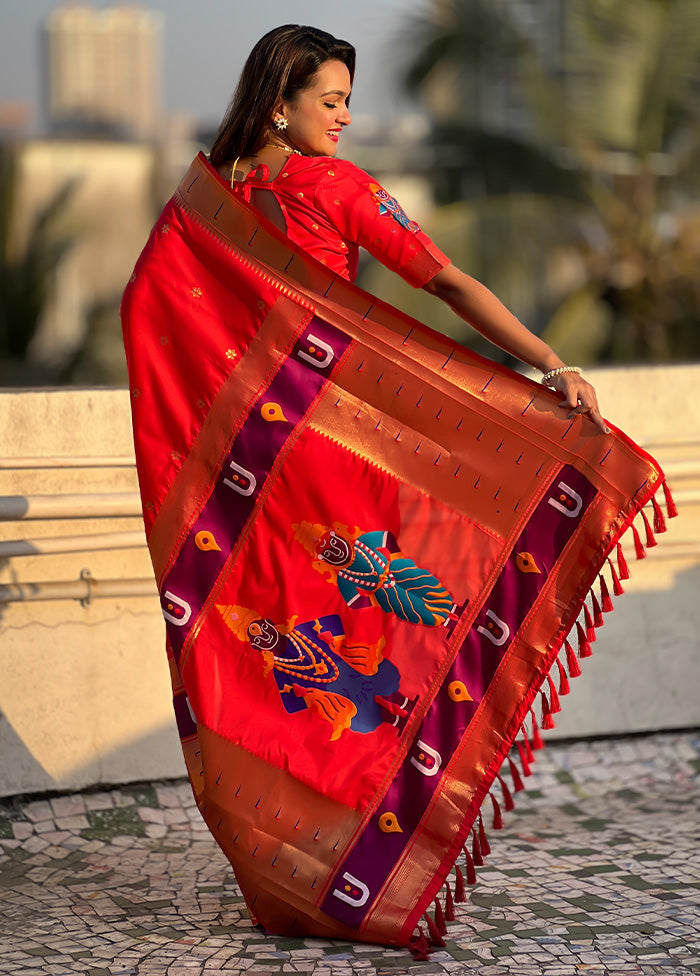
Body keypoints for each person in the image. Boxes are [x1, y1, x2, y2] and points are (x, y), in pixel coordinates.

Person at [121, 24, 673, 953]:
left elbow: (150, 307)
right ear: (279, 106)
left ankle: (293, 868)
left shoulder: (205, 206)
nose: (345, 118)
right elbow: (446, 282)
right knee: (391, 646)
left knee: (269, 652)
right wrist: (544, 363)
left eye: (346, 101)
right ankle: (361, 863)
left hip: (254, 485)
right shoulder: (337, 188)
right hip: (333, 461)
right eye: (330, 102)